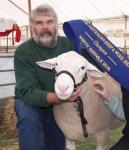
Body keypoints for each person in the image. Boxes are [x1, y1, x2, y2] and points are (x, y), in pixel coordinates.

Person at [14, 4, 86, 150]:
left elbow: (86, 65)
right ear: (32, 27)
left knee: (56, 143)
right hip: (31, 102)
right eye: (39, 23)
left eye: (49, 22)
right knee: (30, 121)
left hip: (61, 100)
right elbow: (28, 91)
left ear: (56, 24)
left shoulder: (69, 44)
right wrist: (59, 98)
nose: (45, 27)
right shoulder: (23, 51)